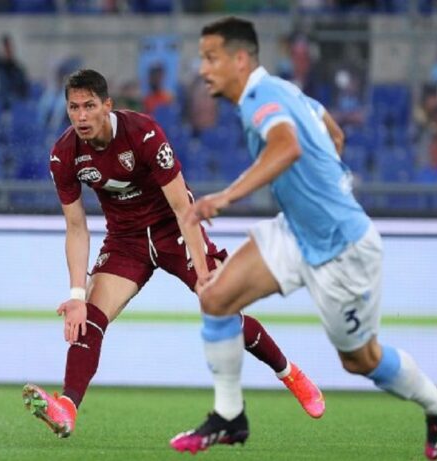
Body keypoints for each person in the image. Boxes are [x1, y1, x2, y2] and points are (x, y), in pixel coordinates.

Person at [170, 18, 437, 459]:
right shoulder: (286, 91)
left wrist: (225, 197)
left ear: (240, 59)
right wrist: (322, 187)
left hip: (343, 249)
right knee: (215, 298)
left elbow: (287, 146)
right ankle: (230, 416)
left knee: (361, 360)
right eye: (202, 58)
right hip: (297, 230)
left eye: (211, 58)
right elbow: (334, 134)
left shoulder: (261, 98)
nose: (203, 68)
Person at [21, 69, 324, 439]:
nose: (81, 116)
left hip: (174, 230)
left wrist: (204, 274)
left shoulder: (143, 133)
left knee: (222, 308)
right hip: (126, 240)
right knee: (90, 317)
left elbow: (183, 208)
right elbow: (76, 226)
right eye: (74, 107)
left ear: (107, 105)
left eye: (89, 106)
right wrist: (76, 295)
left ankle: (290, 373)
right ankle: (66, 408)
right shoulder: (64, 154)